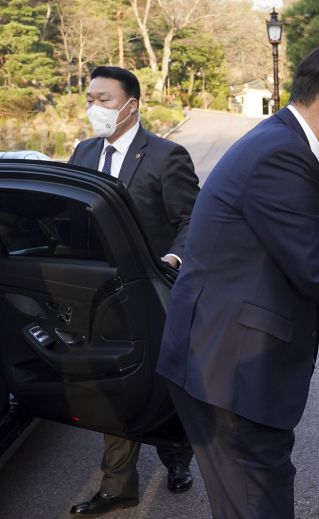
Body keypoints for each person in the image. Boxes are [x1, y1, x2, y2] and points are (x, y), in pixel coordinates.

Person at [156, 42, 319, 518]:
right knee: (257, 503)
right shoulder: (282, 153)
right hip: (231, 374)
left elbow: (296, 243)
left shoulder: (276, 140)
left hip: (218, 363)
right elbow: (310, 266)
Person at [68, 66, 200, 515]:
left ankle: (177, 456)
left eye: (103, 99)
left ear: (131, 105)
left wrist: (173, 261)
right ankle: (117, 484)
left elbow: (192, 220)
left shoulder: (166, 156)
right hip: (100, 294)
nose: (94, 108)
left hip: (153, 291)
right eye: (90, 98)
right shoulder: (83, 152)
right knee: (114, 386)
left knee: (163, 383)